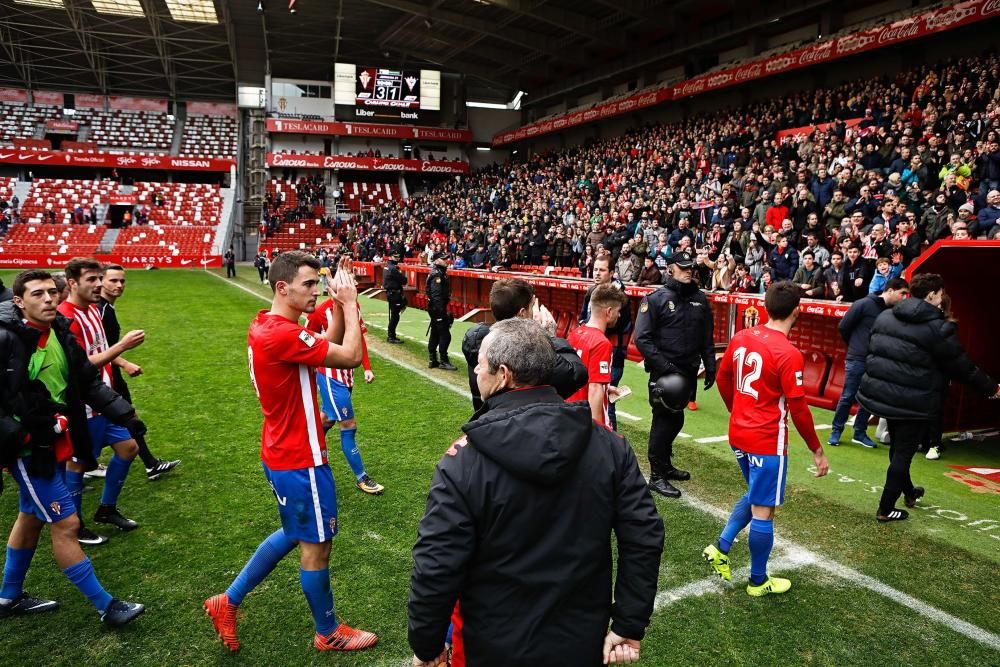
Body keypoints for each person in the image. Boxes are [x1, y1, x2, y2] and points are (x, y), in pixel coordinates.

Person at [408, 318, 663, 667]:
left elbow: (436, 565)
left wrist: (426, 644)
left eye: (480, 364)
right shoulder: (609, 445)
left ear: (503, 374)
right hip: (580, 643)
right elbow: (645, 535)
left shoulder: (464, 461)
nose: (476, 371)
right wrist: (629, 622)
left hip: (493, 646)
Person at [204, 252, 377, 653]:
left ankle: (226, 601)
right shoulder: (280, 334)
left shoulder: (271, 325)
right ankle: (328, 632)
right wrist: (350, 305)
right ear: (283, 288)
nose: (315, 290)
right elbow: (349, 355)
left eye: (319, 284)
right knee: (317, 546)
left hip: (283, 450)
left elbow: (327, 345)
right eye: (309, 285)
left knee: (295, 533)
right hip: (300, 457)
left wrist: (335, 304)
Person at [0, 270, 145, 626]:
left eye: (52, 291)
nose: (48, 299)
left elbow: (86, 379)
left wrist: (124, 415)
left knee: (31, 517)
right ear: (19, 302)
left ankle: (8, 596)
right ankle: (106, 606)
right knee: (66, 524)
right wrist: (22, 438)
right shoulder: (8, 340)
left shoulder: (59, 332)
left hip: (53, 440)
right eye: (37, 294)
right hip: (31, 451)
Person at [703, 281, 830, 596]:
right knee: (764, 509)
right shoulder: (788, 353)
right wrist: (817, 449)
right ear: (797, 311)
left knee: (755, 494)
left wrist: (736, 411)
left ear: (765, 307)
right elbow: (799, 408)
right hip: (767, 440)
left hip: (739, 434)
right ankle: (758, 581)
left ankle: (721, 547)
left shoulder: (742, 336)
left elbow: (722, 376)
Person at [857, 273, 1000, 522]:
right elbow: (962, 367)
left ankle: (909, 492)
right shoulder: (939, 327)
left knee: (899, 450)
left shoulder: (886, 315)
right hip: (914, 400)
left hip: (884, 394)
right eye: (940, 293)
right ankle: (886, 508)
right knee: (902, 453)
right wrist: (991, 388)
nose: (942, 297)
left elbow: (873, 349)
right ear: (932, 295)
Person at [57, 258, 146, 545]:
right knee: (78, 465)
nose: (99, 285)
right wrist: (123, 347)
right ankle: (76, 525)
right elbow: (81, 365)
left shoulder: (93, 310)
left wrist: (121, 359)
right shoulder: (65, 317)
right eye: (91, 280)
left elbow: (101, 349)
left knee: (129, 447)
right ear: (72, 283)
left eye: (99, 279)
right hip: (84, 405)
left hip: (104, 400)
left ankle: (106, 509)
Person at [633, 251, 716, 498]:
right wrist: (666, 367)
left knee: (676, 419)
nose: (689, 270)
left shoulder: (700, 299)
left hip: (689, 371)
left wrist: (710, 366)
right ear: (670, 269)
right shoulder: (656, 298)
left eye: (691, 266)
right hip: (665, 373)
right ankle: (656, 476)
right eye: (683, 267)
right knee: (663, 420)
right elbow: (642, 339)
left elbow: (706, 337)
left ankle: (665, 466)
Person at [99, 265, 180, 481]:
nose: (119, 285)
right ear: (101, 281)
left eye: (122, 281)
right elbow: (98, 349)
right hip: (104, 376)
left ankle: (150, 464)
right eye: (113, 280)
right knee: (125, 418)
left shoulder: (106, 308)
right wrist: (125, 362)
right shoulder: (101, 310)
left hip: (109, 373)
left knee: (127, 417)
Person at [461, 278, 586, 412]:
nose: (535, 310)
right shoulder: (524, 352)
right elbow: (576, 375)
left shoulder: (480, 342)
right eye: (532, 306)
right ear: (522, 313)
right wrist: (550, 338)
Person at [306, 294, 385, 495]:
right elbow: (309, 344)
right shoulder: (319, 312)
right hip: (330, 376)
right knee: (348, 424)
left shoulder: (353, 306)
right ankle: (361, 477)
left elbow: (359, 338)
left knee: (328, 419)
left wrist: (366, 367)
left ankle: (305, 455)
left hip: (346, 375)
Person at [828, 278, 910, 449]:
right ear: (890, 290)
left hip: (877, 361)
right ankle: (836, 430)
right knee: (848, 396)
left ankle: (859, 432)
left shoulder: (892, 311)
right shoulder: (863, 304)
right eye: (902, 293)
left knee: (869, 399)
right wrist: (857, 345)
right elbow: (844, 327)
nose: (904, 298)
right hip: (857, 358)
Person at [578, 255, 632, 430]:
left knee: (606, 401)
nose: (597, 273)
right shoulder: (591, 293)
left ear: (612, 273)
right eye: (595, 269)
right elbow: (582, 318)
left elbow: (622, 326)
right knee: (591, 394)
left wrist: (594, 330)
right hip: (591, 352)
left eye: (602, 270)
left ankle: (609, 440)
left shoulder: (620, 299)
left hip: (611, 356)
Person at [567, 284, 628, 427]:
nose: (619, 315)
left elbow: (583, 378)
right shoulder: (601, 343)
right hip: (585, 419)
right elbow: (594, 388)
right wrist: (597, 431)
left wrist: (607, 388)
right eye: (618, 311)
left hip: (570, 414)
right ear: (609, 311)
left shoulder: (575, 333)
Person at [426, 253, 456, 371]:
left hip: (435, 308)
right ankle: (443, 360)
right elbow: (436, 295)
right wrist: (442, 312)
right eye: (443, 259)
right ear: (437, 261)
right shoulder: (436, 275)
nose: (446, 260)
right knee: (445, 335)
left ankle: (432, 359)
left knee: (435, 332)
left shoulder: (438, 273)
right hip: (437, 308)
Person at [382, 250, 407, 344]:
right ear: (390, 257)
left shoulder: (387, 267)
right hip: (394, 294)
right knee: (395, 316)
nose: (397, 259)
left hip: (390, 293)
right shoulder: (393, 268)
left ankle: (391, 334)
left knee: (394, 315)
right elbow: (404, 280)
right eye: (395, 257)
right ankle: (391, 336)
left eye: (398, 257)